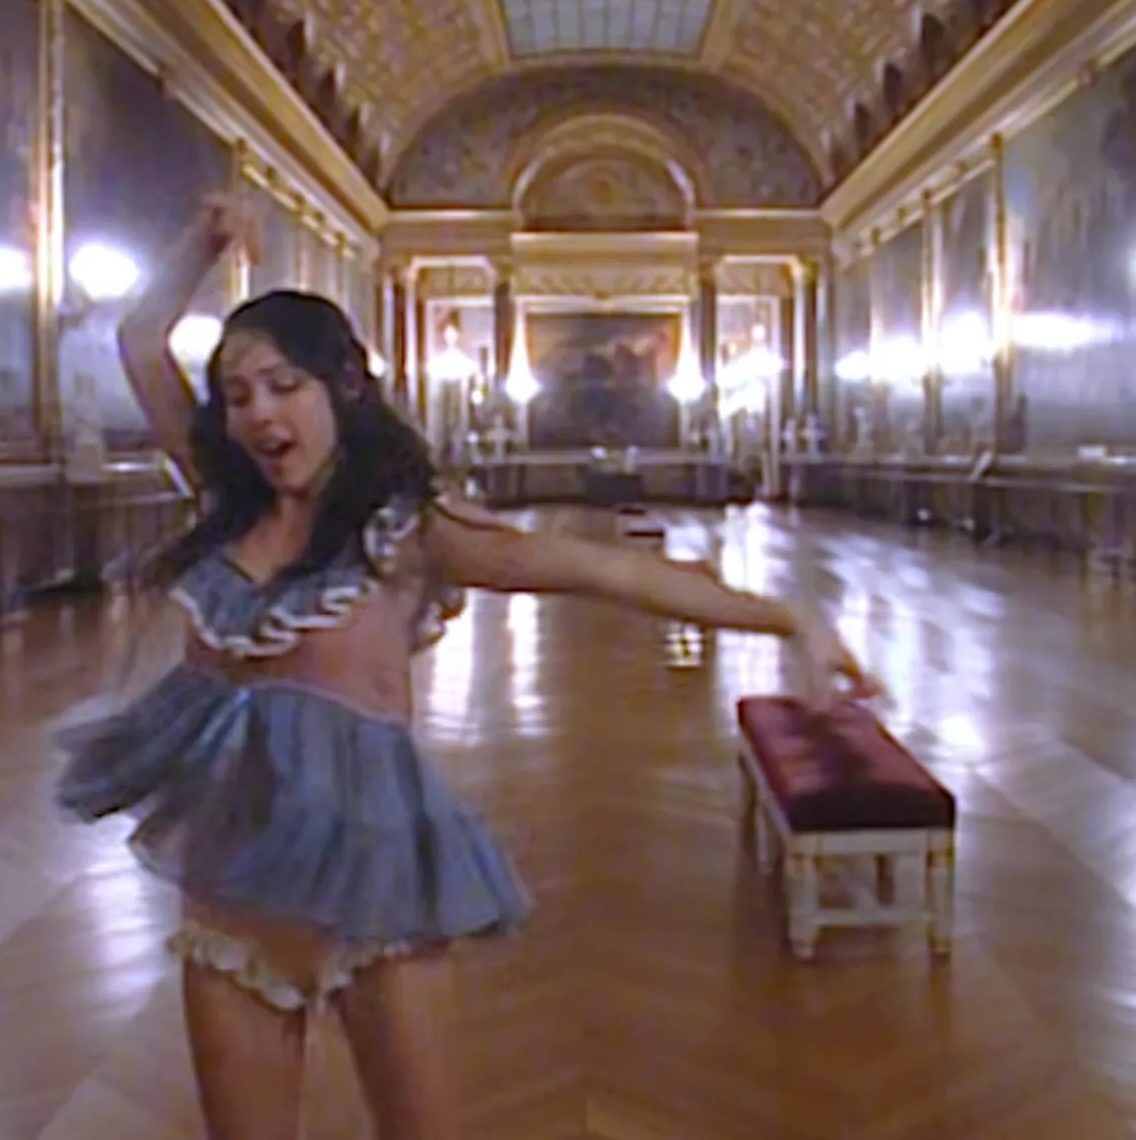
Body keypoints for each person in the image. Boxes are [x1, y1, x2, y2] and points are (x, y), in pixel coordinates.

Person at [53, 192, 876, 1140]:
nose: (259, 413)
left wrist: (789, 618)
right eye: (237, 395)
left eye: (283, 385)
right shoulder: (223, 502)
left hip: (375, 892)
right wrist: (201, 238)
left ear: (343, 388)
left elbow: (606, 571)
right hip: (234, 899)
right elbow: (139, 337)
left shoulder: (409, 533)